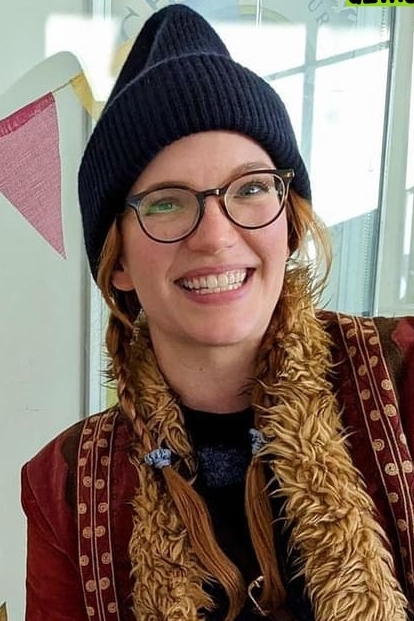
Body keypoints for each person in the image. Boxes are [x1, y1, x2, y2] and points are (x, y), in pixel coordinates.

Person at [21, 5, 414, 621]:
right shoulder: (62, 486)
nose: (215, 237)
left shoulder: (402, 381)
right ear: (119, 263)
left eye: (251, 188)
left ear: (289, 224)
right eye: (167, 202)